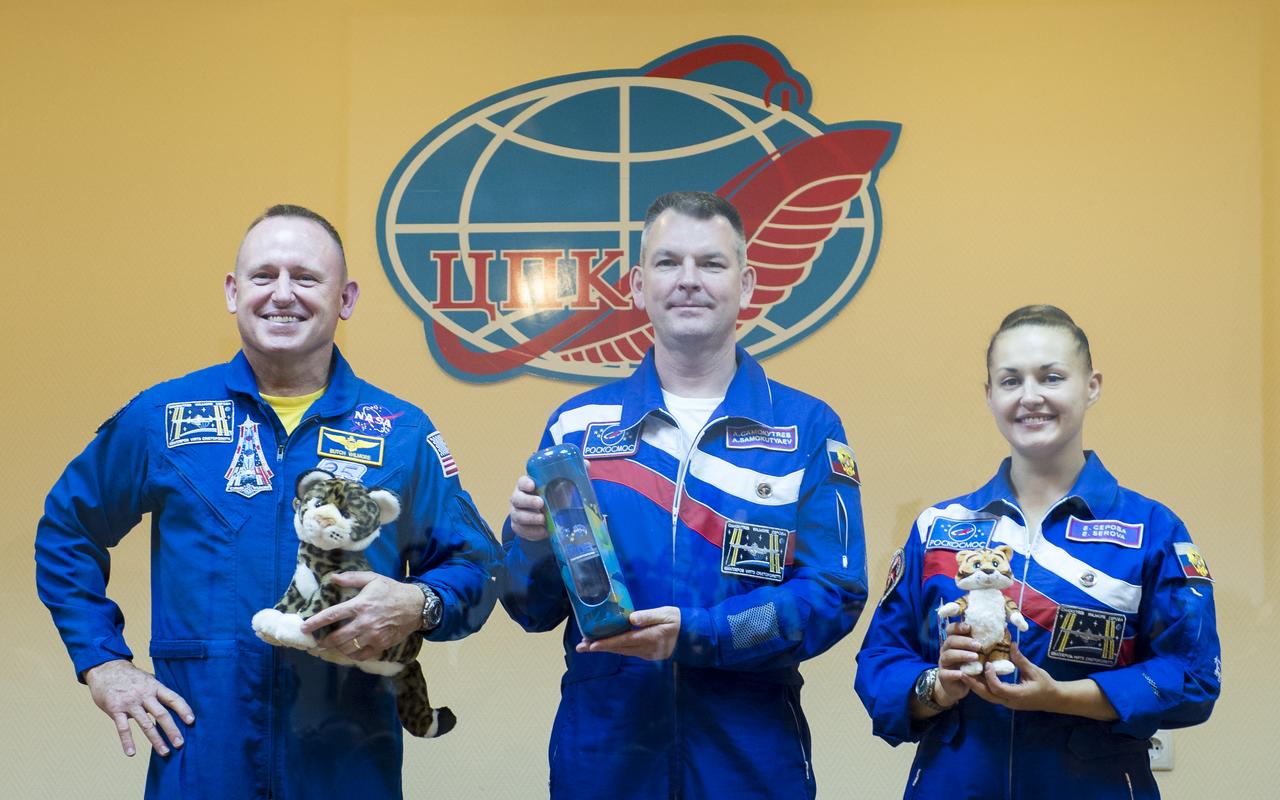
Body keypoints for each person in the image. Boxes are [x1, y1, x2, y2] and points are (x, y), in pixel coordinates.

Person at [35, 204, 499, 799]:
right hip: (201, 757)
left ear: (346, 298)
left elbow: (479, 567)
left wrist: (419, 601)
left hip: (348, 760)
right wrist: (102, 662)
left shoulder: (401, 431)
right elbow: (66, 529)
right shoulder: (164, 417)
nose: (283, 294)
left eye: (306, 278)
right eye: (263, 276)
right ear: (233, 292)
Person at [499, 191, 868, 799]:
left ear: (746, 284)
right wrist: (532, 544)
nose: (688, 281)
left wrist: (700, 634)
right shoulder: (577, 427)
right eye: (669, 263)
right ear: (638, 286)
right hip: (604, 761)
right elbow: (528, 608)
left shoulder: (807, 428)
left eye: (711, 264)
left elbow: (834, 594)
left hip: (750, 761)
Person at [855, 305, 1221, 799]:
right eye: (1010, 381)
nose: (1030, 397)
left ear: (1091, 386)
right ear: (989, 395)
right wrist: (936, 688)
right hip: (953, 783)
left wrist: (1062, 697)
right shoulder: (940, 528)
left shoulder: (1151, 529)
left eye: (1051, 377)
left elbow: (1193, 677)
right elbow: (880, 660)